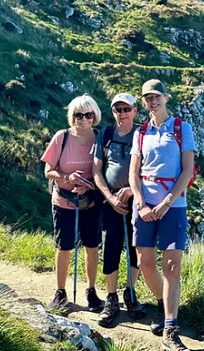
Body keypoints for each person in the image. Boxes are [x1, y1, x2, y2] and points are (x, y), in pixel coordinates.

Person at [129, 79, 196, 351]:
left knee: (171, 266)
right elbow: (134, 172)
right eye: (147, 98)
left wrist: (168, 202)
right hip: (144, 205)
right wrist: (141, 204)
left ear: (166, 97)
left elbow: (188, 170)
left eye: (156, 96)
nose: (152, 101)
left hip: (174, 205)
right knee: (144, 263)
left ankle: (171, 329)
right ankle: (162, 303)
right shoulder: (141, 132)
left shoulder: (182, 128)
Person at [41, 94, 105, 312]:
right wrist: (67, 178)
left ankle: (91, 290)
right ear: (72, 116)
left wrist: (89, 185)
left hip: (91, 202)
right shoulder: (62, 137)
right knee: (64, 245)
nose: (83, 119)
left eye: (88, 114)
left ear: (94, 116)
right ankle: (60, 291)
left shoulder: (100, 137)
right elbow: (48, 170)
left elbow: (105, 171)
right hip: (63, 201)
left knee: (91, 245)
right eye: (78, 115)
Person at [93, 92, 146, 325]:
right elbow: (96, 171)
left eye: (126, 109)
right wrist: (110, 197)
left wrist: (132, 191)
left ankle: (130, 293)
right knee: (111, 248)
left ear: (135, 111)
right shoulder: (104, 135)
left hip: (139, 201)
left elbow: (150, 170)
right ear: (112, 111)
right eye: (117, 110)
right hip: (110, 202)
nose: (122, 114)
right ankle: (112, 298)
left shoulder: (144, 135)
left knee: (137, 249)